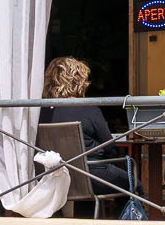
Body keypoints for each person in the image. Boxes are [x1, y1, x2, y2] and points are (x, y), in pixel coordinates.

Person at [43, 56, 134, 196]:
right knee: (134, 185)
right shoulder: (88, 109)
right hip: (93, 175)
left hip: (53, 177)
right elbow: (110, 148)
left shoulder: (41, 112)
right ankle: (123, 217)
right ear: (78, 81)